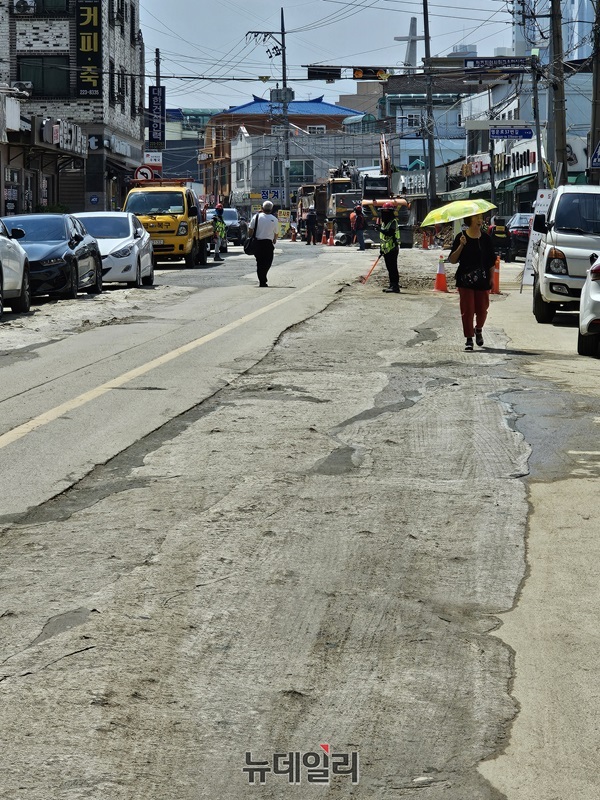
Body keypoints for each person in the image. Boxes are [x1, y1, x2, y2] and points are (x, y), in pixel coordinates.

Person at [448, 214, 496, 351]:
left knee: (482, 310)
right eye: (477, 218)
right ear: (470, 220)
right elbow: (452, 260)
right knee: (467, 310)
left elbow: (491, 261)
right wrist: (461, 246)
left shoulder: (486, 239)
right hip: (465, 280)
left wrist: (492, 278)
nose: (480, 220)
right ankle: (469, 339)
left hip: (483, 279)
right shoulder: (461, 237)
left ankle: (478, 329)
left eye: (481, 218)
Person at [248, 200, 279, 287]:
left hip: (258, 243)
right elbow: (276, 233)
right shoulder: (274, 219)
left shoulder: (256, 217)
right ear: (272, 209)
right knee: (267, 262)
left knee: (260, 262)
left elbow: (250, 229)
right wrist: (274, 240)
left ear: (262, 208)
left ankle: (262, 279)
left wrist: (250, 237)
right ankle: (263, 280)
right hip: (268, 244)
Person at [379, 202, 401, 293]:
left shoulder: (393, 222)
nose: (384, 213)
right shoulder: (384, 223)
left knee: (393, 268)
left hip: (393, 249)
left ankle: (395, 286)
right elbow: (383, 238)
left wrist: (379, 229)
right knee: (389, 268)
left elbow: (390, 233)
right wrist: (381, 249)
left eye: (386, 211)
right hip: (386, 250)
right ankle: (392, 284)